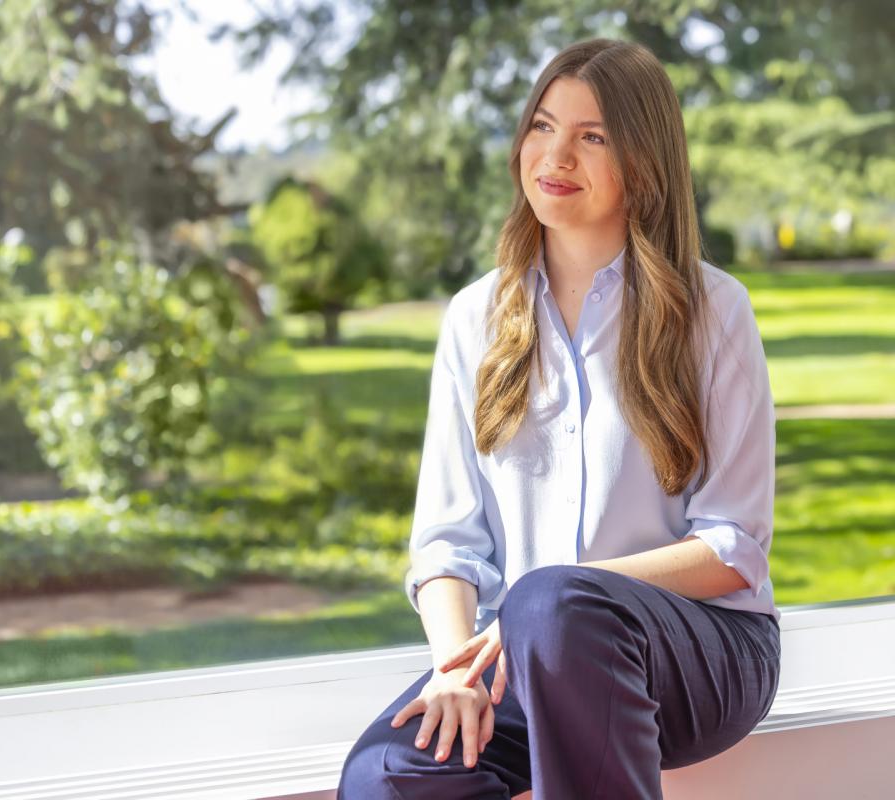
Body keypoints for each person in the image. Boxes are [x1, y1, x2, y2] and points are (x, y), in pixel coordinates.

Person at [338, 37, 781, 799]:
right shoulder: (475, 318)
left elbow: (732, 549)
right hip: (527, 656)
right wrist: (455, 671)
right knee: (386, 779)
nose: (556, 155)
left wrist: (557, 605)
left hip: (702, 654)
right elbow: (447, 542)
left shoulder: (713, 312)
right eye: (542, 127)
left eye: (592, 136)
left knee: (549, 601)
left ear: (643, 162)